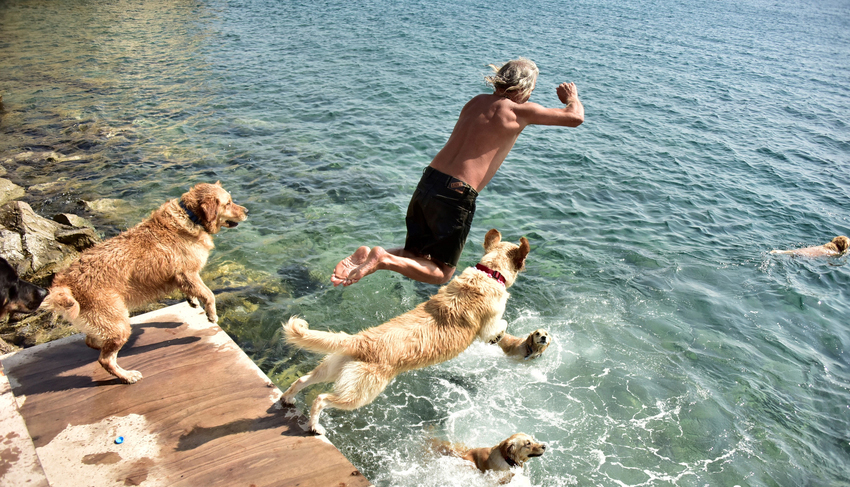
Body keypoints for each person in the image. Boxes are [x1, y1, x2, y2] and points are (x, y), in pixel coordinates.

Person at [332, 58, 585, 286]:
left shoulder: (475, 102)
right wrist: (570, 97)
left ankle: (370, 257)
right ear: (525, 88)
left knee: (416, 257)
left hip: (429, 180)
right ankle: (382, 259)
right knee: (442, 273)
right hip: (456, 193)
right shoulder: (519, 111)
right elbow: (575, 117)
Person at [770, 235, 850, 257]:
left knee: (788, 253)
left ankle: (778, 252)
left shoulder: (824, 246)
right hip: (803, 257)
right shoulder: (833, 253)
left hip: (800, 253)